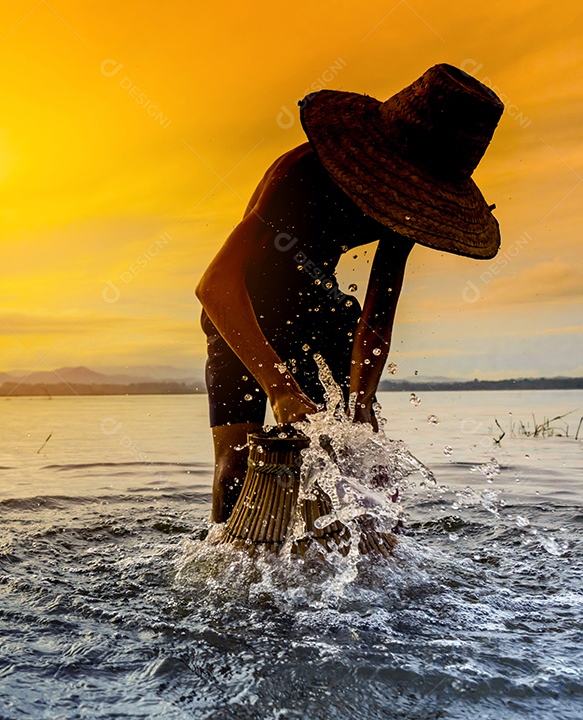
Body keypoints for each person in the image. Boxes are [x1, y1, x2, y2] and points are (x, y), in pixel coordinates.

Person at [195, 64, 505, 524]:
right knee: (237, 467)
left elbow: (377, 314)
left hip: (322, 312)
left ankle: (352, 574)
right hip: (246, 311)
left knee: (357, 467)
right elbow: (214, 283)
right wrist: (280, 390)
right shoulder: (300, 172)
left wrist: (361, 403)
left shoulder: (406, 205)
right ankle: (222, 571)